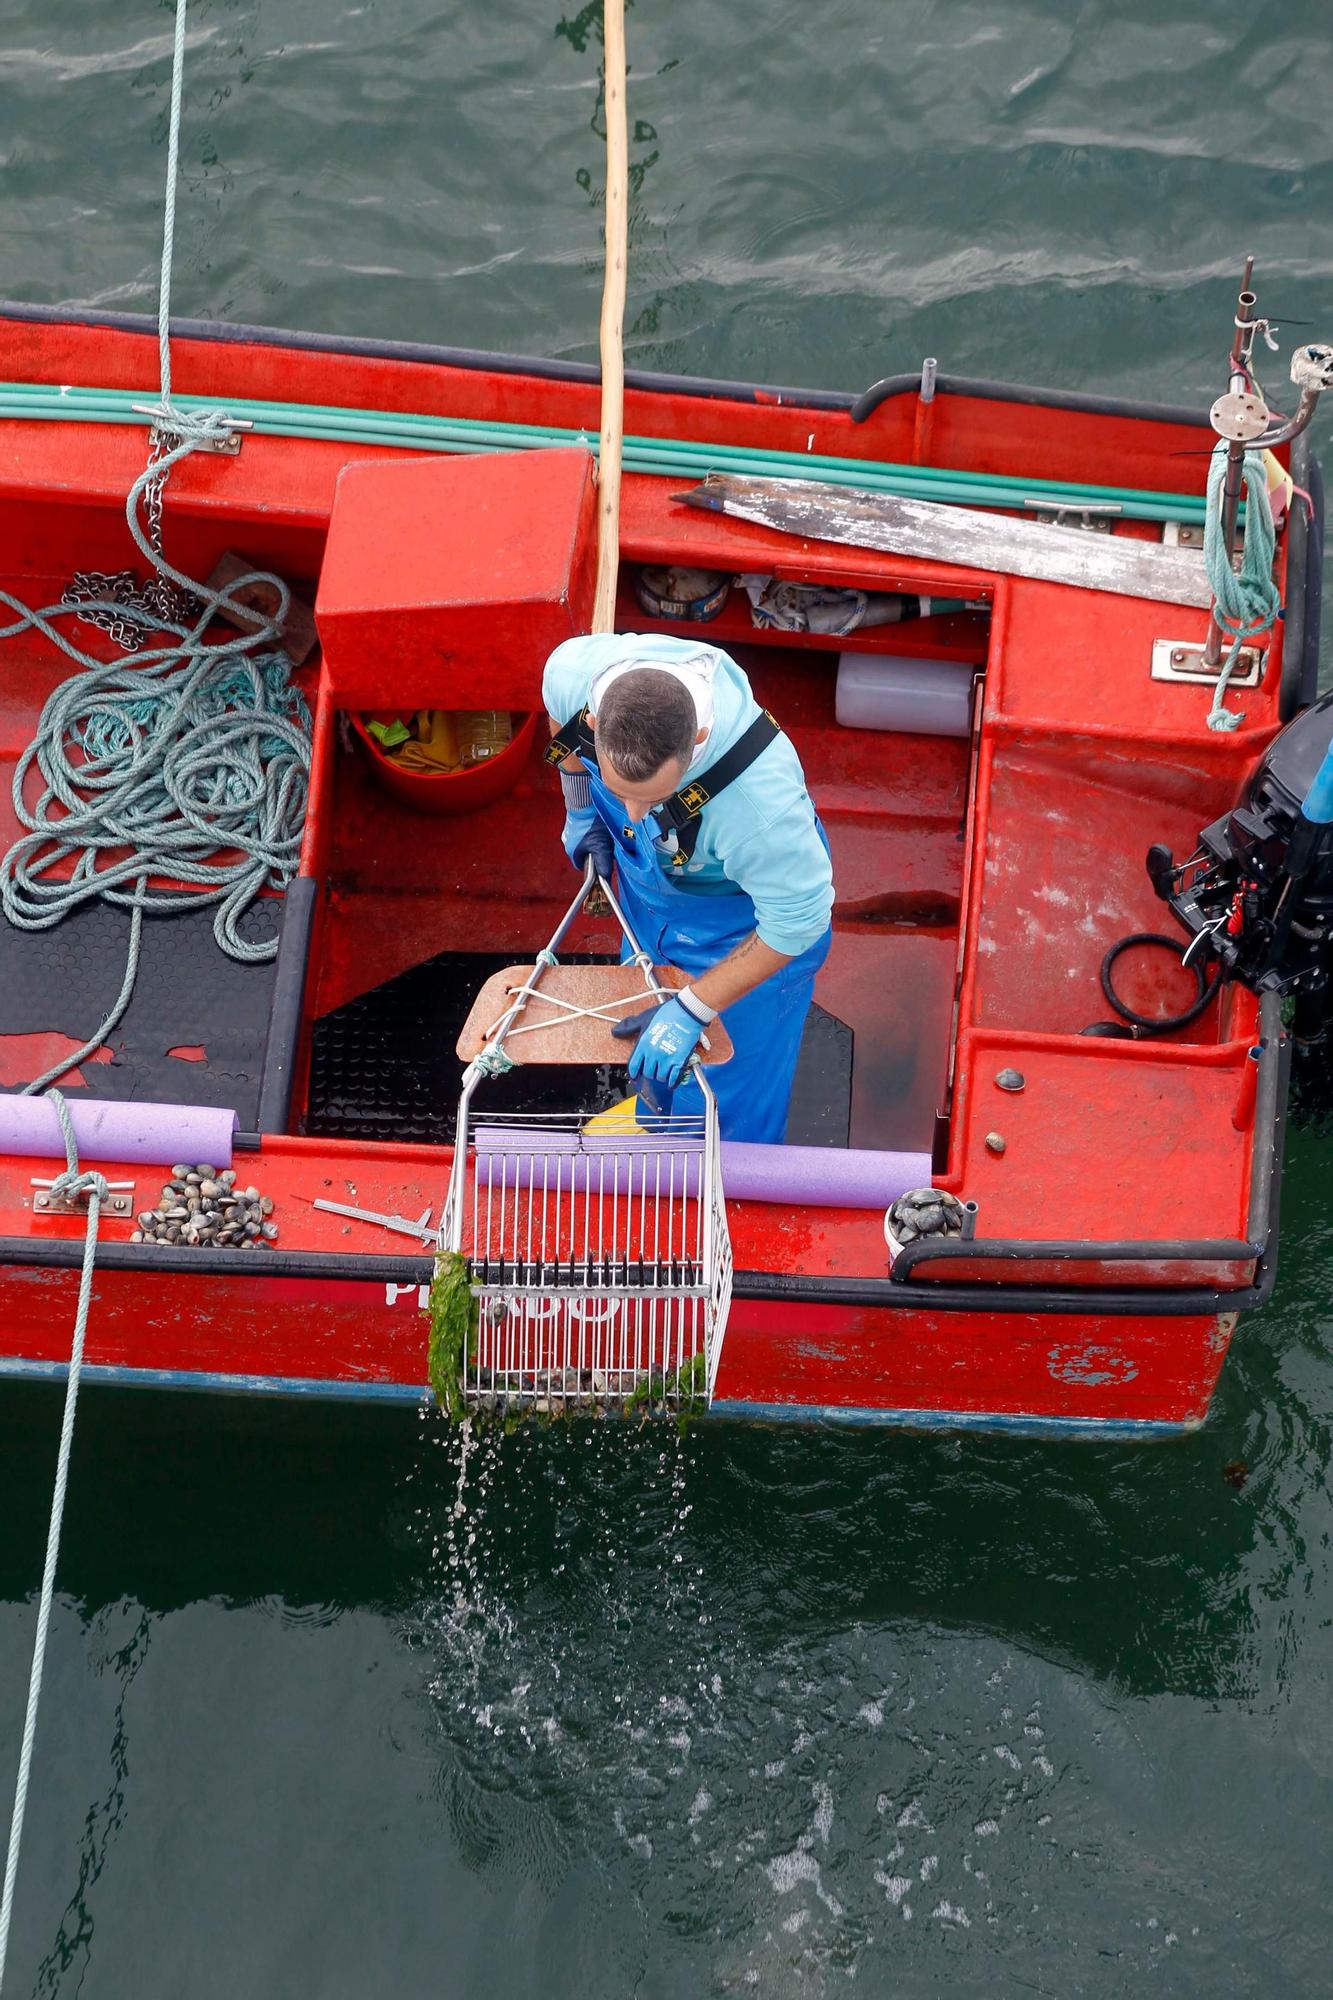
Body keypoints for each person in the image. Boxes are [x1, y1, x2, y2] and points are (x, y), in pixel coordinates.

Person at [542, 631, 834, 1144]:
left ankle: (717, 1166)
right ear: (592, 719)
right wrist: (582, 805)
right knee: (642, 1042)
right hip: (647, 905)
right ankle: (656, 1126)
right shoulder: (571, 674)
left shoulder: (762, 811)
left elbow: (799, 924)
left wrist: (694, 1007)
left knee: (722, 1099)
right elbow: (557, 729)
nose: (631, 815)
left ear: (697, 739)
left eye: (653, 796)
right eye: (620, 791)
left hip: (743, 932)